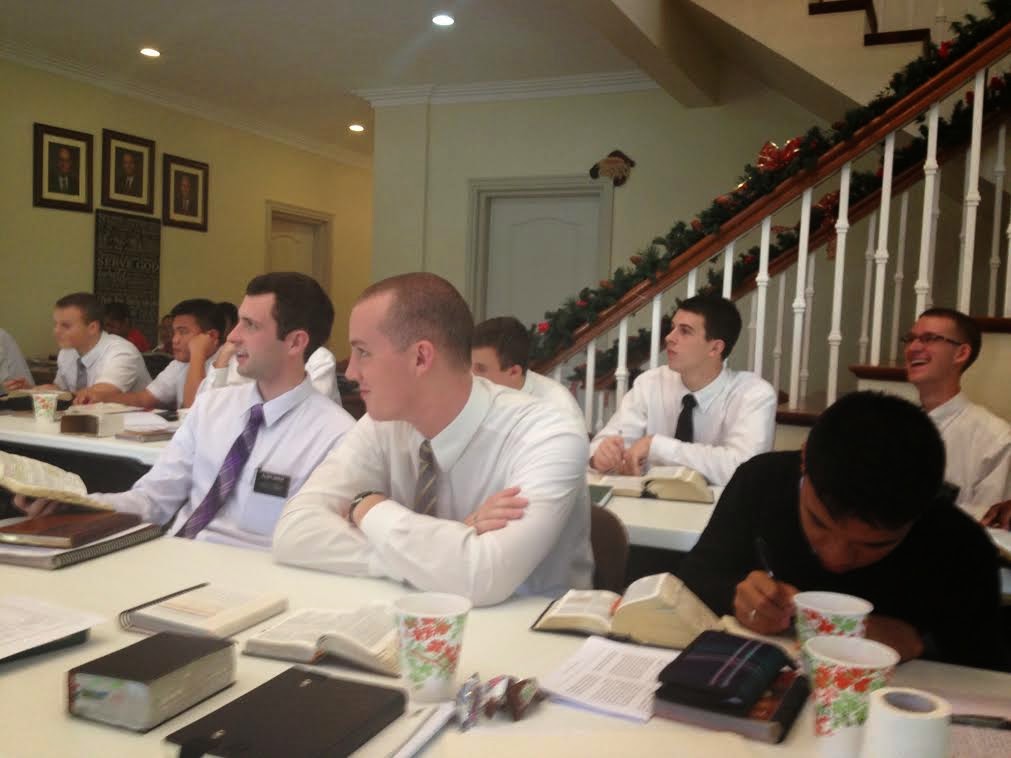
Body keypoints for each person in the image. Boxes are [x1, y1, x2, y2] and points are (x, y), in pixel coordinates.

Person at [272, 273, 593, 606]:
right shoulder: (383, 423)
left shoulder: (548, 433)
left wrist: (367, 507)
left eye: (363, 352)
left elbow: (484, 577)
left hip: (530, 629)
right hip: (410, 617)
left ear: (421, 358)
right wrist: (447, 546)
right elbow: (293, 532)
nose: (351, 372)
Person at [16, 273, 356, 550]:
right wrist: (78, 504)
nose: (233, 336)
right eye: (238, 322)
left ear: (296, 342)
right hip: (173, 555)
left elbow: (314, 547)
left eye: (250, 325)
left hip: (251, 580)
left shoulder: (335, 436)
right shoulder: (213, 406)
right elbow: (153, 500)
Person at [677, 391, 1007, 670]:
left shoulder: (959, 545)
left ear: (921, 513)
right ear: (805, 459)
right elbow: (694, 577)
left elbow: (984, 664)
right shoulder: (761, 482)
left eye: (873, 545)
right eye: (819, 523)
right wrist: (737, 594)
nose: (836, 558)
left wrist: (920, 642)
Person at [589, 295, 777, 486]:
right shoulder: (650, 383)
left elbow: (744, 468)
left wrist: (657, 446)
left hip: (721, 505)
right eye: (673, 328)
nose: (669, 338)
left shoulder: (753, 394)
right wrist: (600, 457)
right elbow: (603, 444)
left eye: (685, 331)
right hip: (647, 502)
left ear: (715, 348)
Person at [903, 307, 1010, 517]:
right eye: (910, 339)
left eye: (929, 338)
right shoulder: (892, 425)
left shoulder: (996, 441)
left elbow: (989, 527)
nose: (913, 348)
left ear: (961, 353)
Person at [79, 299, 223, 409]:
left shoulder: (228, 363)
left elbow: (195, 409)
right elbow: (144, 399)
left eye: (183, 332)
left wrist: (198, 353)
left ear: (211, 336)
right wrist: (101, 398)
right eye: (174, 332)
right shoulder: (179, 364)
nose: (175, 339)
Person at [25, 292, 150, 400]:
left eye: (65, 326)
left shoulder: (122, 352)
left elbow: (96, 395)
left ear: (92, 328)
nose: (56, 331)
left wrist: (51, 394)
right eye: (56, 324)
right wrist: (30, 391)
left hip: (132, 419)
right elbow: (62, 390)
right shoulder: (67, 352)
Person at [471, 316, 584, 423]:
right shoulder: (472, 395)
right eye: (468, 366)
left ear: (514, 372)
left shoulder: (558, 407)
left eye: (480, 369)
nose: (471, 376)